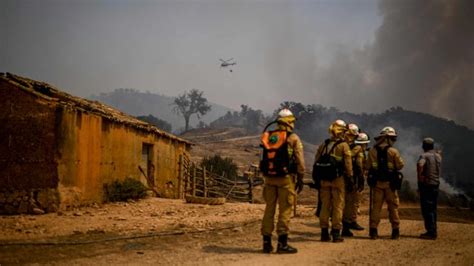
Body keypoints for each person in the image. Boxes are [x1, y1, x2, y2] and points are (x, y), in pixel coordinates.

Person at [260, 108, 305, 254]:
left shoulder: (269, 136)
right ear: (290, 122)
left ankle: (266, 243)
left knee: (269, 209)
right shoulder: (293, 138)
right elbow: (300, 161)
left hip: (269, 178)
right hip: (285, 179)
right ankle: (282, 244)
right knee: (285, 210)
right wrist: (301, 177)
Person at [313, 120, 353, 242]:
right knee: (338, 206)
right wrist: (350, 177)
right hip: (337, 180)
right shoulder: (344, 145)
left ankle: (324, 233)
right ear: (342, 132)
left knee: (325, 205)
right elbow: (348, 164)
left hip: (324, 180)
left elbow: (316, 161)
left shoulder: (324, 144)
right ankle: (336, 233)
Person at [366, 126, 404, 240]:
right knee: (393, 207)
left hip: (377, 184)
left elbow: (367, 166)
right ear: (387, 138)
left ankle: (373, 231)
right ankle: (395, 231)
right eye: (392, 138)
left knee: (376, 208)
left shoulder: (372, 151)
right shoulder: (393, 151)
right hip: (390, 185)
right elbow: (400, 165)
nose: (393, 141)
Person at [342, 129, 369, 237]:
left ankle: (350, 222)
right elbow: (358, 165)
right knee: (351, 203)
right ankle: (346, 227)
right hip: (353, 180)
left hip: (347, 178)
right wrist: (361, 179)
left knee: (350, 202)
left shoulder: (350, 147)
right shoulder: (359, 150)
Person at [417, 137, 441, 240]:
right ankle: (433, 229)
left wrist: (420, 177)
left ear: (424, 146)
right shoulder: (438, 156)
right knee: (433, 208)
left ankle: (431, 232)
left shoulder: (424, 155)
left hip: (427, 185)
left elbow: (420, 164)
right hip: (435, 184)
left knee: (427, 208)